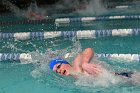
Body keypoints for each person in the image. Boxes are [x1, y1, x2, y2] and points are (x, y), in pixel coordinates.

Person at [49, 48, 133, 78]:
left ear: (65, 63)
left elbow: (88, 50)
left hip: (124, 77)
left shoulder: (76, 66)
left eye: (59, 66)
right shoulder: (74, 77)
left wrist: (84, 63)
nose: (59, 70)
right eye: (56, 71)